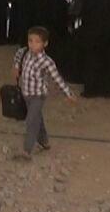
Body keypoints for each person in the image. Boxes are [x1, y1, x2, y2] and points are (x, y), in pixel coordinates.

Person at [12, 26, 77, 160]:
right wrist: (16, 66)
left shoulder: (47, 62)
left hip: (38, 95)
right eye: (30, 41)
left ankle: (27, 150)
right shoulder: (25, 52)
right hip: (26, 93)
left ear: (45, 43)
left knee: (31, 120)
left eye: (37, 42)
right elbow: (18, 55)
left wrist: (68, 93)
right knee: (37, 118)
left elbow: (57, 79)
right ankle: (44, 141)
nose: (32, 44)